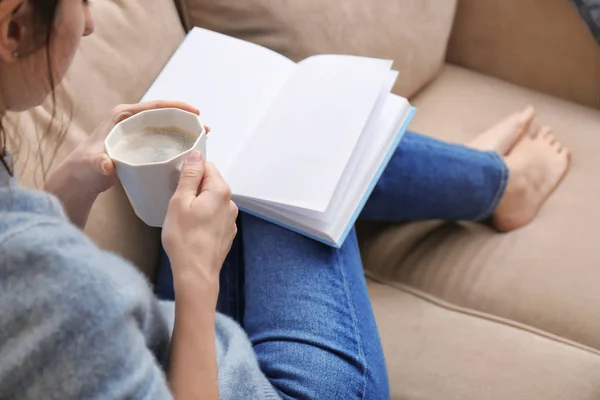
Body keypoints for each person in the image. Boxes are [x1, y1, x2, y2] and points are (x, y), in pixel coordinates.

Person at [0, 1, 570, 399]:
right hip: (278, 385)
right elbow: (45, 292)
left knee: (255, 140)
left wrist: (64, 192)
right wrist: (197, 281)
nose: (92, 23)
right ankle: (491, 182)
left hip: (187, 346)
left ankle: (459, 175)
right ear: (14, 30)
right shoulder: (56, 292)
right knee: (308, 138)